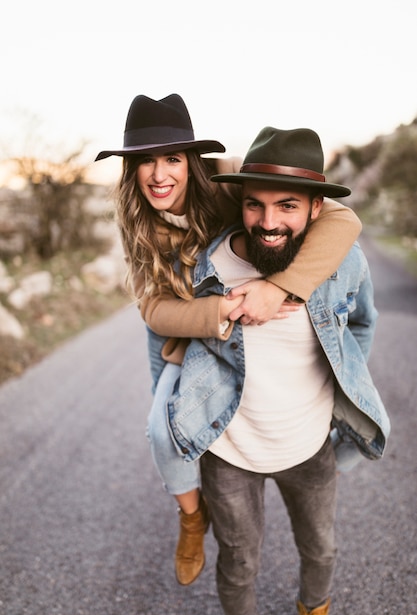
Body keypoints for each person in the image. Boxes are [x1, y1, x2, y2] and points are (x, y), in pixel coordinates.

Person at [95, 95, 362, 589]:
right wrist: (221, 311)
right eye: (144, 160)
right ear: (130, 169)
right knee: (162, 431)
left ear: (192, 161)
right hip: (182, 332)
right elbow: (153, 311)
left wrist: (280, 285)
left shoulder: (228, 186)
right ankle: (193, 519)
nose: (159, 173)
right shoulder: (135, 220)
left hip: (229, 319)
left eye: (172, 158)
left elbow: (343, 220)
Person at [153, 127, 391, 615]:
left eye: (287, 206)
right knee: (239, 563)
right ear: (239, 203)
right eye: (255, 205)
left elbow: (363, 322)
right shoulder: (203, 267)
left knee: (321, 549)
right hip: (230, 453)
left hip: (309, 446)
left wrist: (342, 384)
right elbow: (161, 333)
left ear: (315, 210)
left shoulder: (342, 262)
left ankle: (314, 612)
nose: (268, 222)